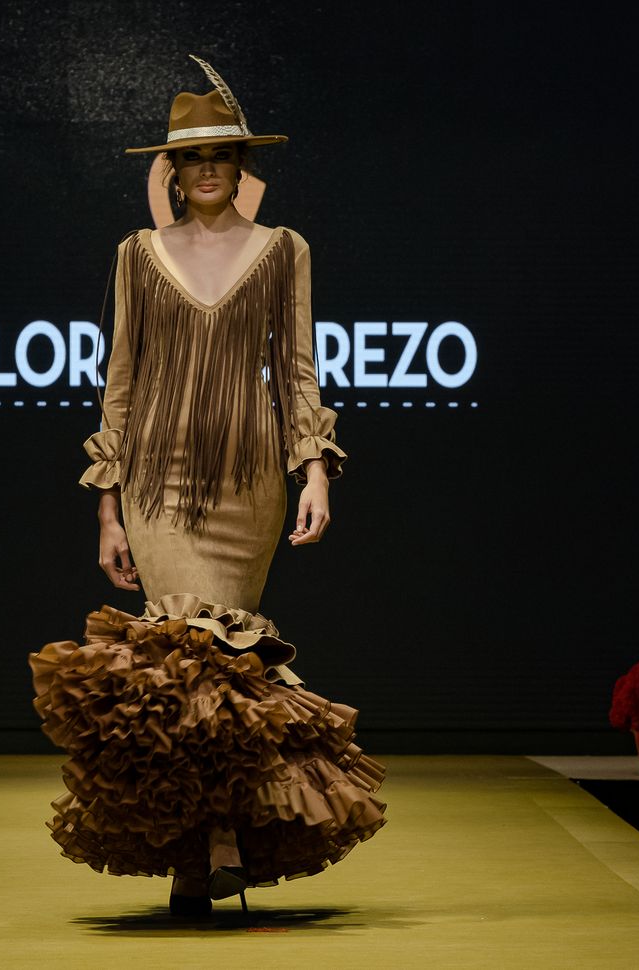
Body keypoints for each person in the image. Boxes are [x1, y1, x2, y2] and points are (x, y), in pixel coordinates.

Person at [30, 56, 387, 917]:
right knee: (176, 656)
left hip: (248, 480)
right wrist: (107, 510)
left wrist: (315, 474)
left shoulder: (283, 250)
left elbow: (299, 372)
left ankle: (212, 843)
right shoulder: (137, 255)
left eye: (222, 156)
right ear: (174, 171)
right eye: (192, 159)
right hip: (156, 478)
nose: (208, 171)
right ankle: (206, 852)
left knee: (225, 662)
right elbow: (120, 379)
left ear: (241, 166)